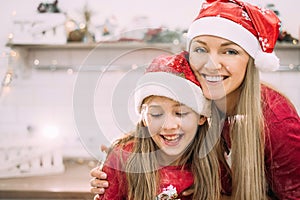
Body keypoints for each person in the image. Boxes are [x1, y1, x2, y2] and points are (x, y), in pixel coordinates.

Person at [90, 0, 300, 199]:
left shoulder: (277, 122)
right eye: (201, 49)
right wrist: (119, 158)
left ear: (251, 61)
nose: (211, 64)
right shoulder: (204, 95)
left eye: (229, 51)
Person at [95, 53, 221, 200]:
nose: (168, 126)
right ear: (143, 118)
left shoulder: (213, 161)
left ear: (202, 117)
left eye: (180, 113)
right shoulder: (122, 158)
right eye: (156, 114)